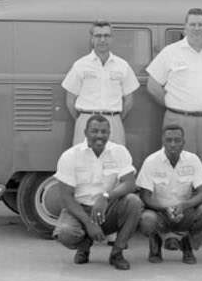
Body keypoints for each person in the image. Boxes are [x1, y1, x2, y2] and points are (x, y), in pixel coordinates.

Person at [144, 7, 202, 180]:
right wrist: (173, 105)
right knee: (178, 167)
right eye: (193, 24)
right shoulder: (170, 52)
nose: (197, 28)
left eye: (200, 24)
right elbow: (152, 85)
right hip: (179, 121)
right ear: (185, 28)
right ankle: (179, 205)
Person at [51, 115, 143, 270]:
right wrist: (88, 223)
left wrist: (105, 197)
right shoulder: (70, 156)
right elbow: (66, 197)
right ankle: (84, 246)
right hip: (80, 209)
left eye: (104, 131)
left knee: (134, 202)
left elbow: (130, 183)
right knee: (65, 234)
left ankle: (117, 253)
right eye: (94, 131)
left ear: (109, 133)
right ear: (85, 132)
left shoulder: (119, 152)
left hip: (107, 208)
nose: (99, 135)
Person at [135, 124, 202, 264]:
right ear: (163, 141)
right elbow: (145, 197)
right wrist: (164, 209)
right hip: (159, 213)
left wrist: (185, 205)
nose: (173, 144)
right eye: (169, 140)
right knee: (147, 220)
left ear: (183, 142)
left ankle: (188, 244)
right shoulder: (151, 161)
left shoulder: (193, 160)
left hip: (185, 212)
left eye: (177, 140)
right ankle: (155, 243)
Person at [61, 20, 140, 145]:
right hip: (86, 122)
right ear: (92, 39)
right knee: (84, 162)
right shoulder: (80, 65)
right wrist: (83, 118)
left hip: (113, 122)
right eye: (98, 36)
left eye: (106, 36)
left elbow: (129, 101)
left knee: (115, 162)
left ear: (112, 39)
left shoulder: (122, 66)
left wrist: (113, 118)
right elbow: (70, 100)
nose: (102, 40)